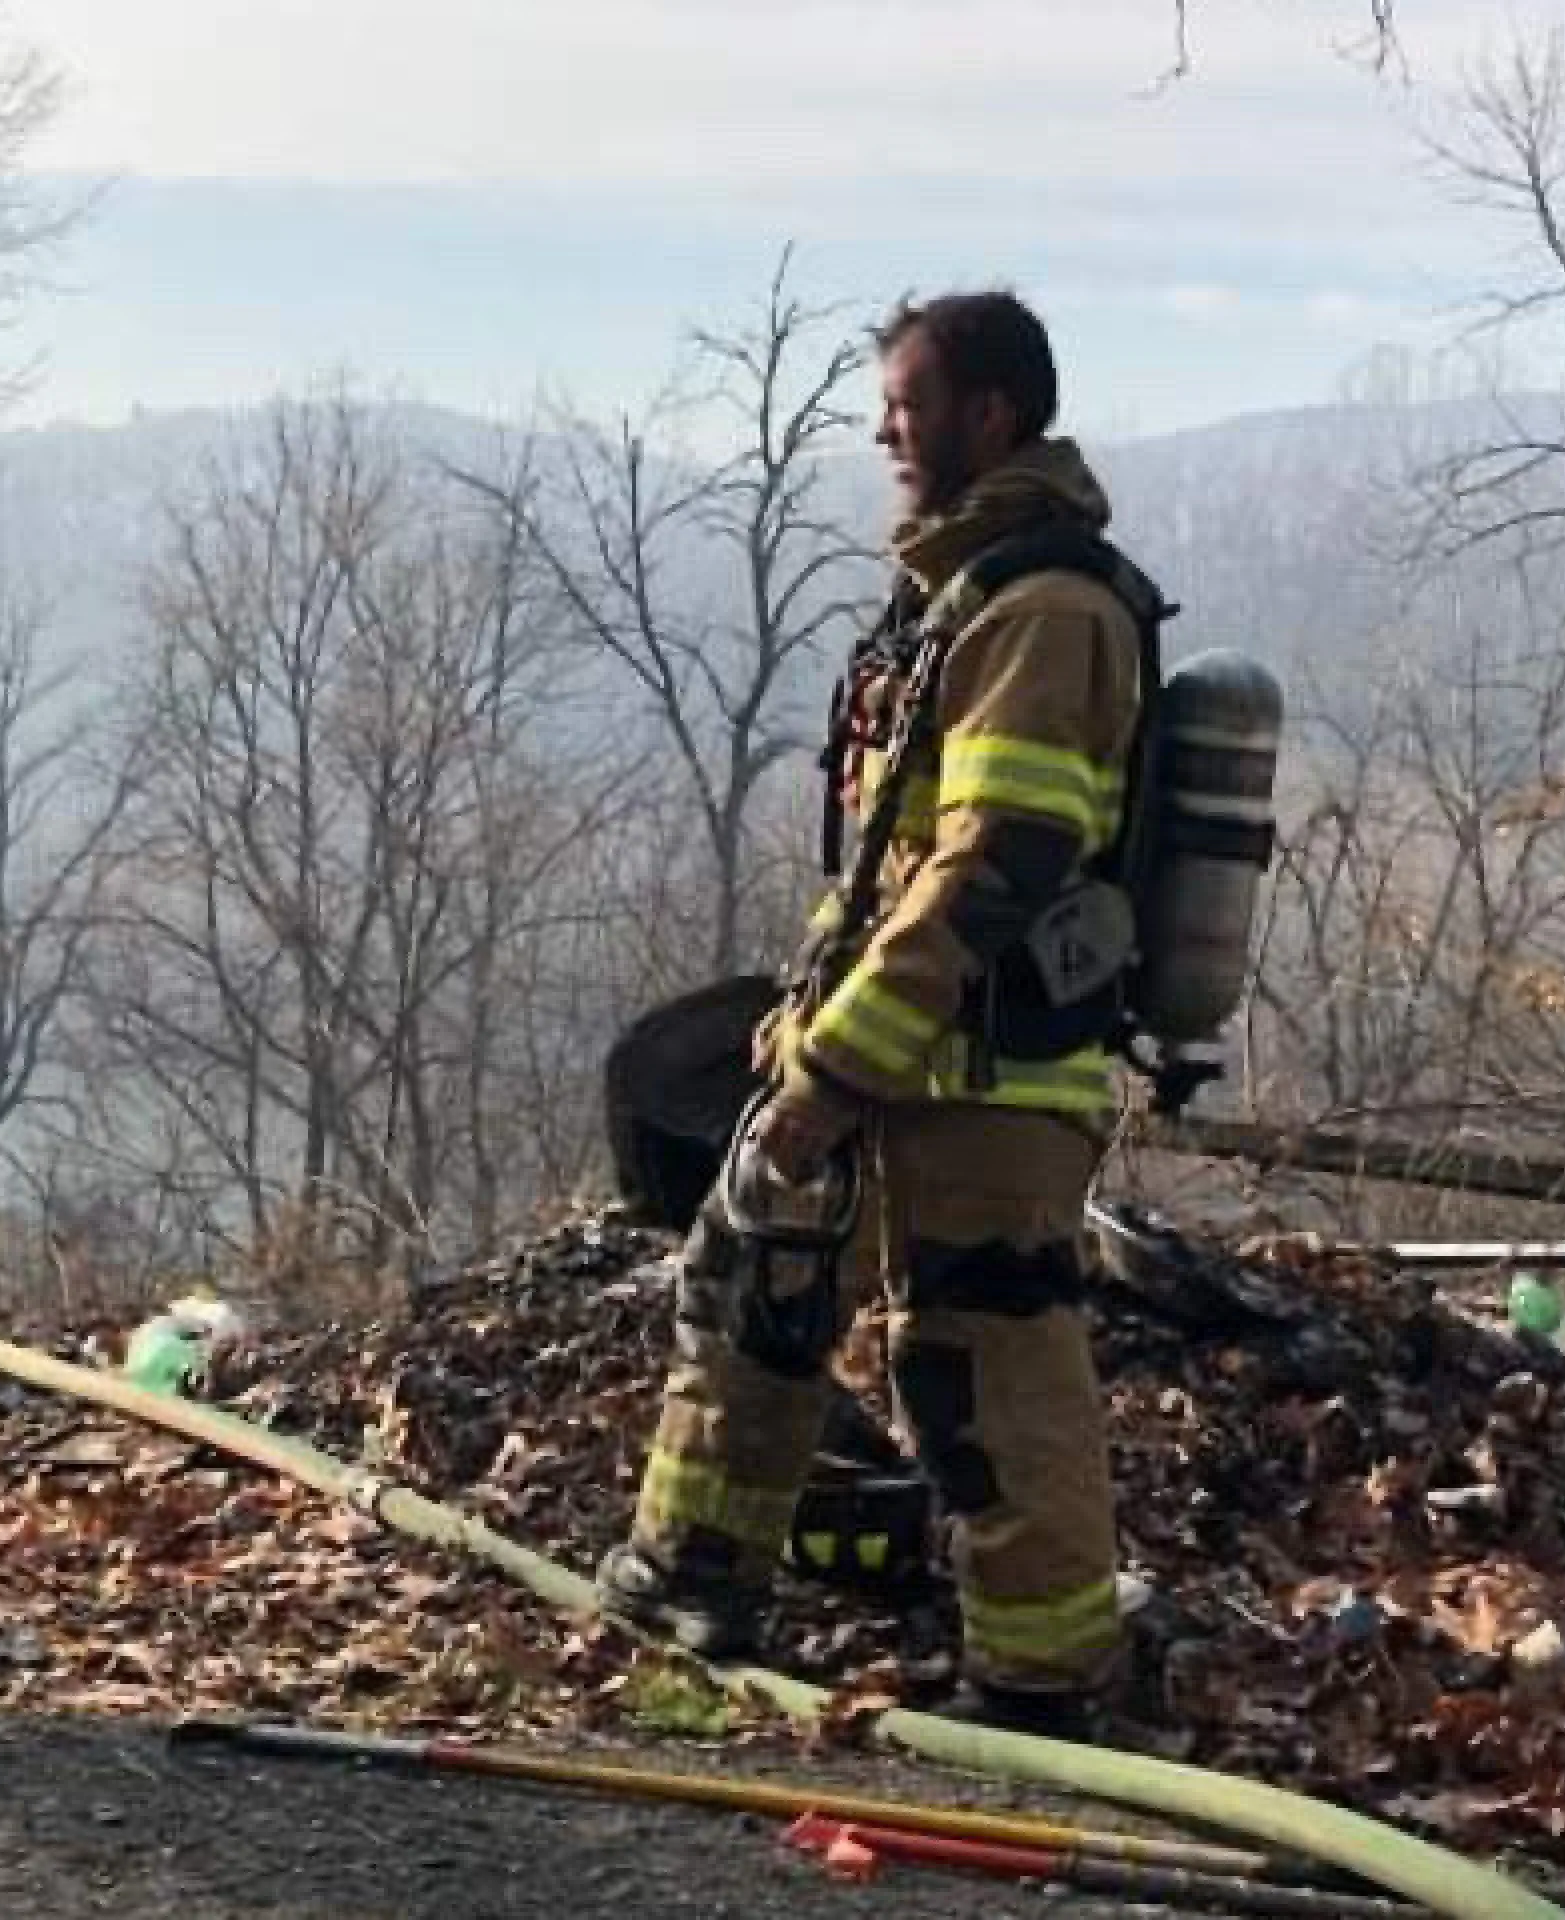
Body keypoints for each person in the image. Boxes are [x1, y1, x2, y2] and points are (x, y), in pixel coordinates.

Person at [599, 290, 1145, 1740]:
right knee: (752, 1293)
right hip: (890, 1050)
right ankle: (690, 1577)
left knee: (983, 1357)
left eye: (909, 405)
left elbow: (997, 867)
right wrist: (815, 1040)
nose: (886, 432)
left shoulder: (1049, 612)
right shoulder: (962, 594)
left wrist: (841, 1062)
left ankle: (1042, 1682)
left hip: (985, 1082)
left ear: (992, 416)